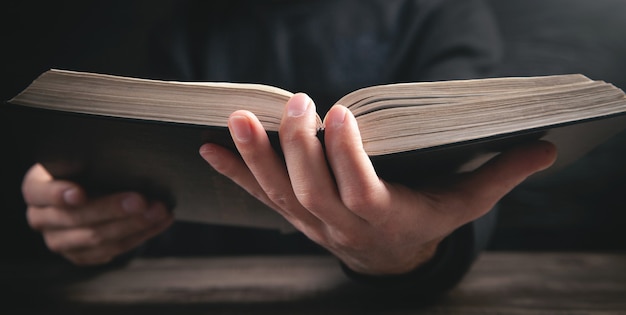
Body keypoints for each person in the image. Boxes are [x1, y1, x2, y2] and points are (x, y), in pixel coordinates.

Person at [10, 0, 557, 300]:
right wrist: (82, 214)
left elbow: (464, 171)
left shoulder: (439, 13)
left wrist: (414, 253)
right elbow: (144, 181)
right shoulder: (180, 26)